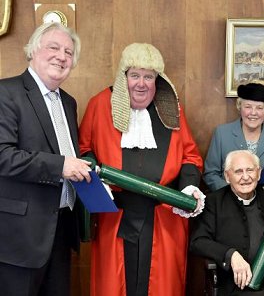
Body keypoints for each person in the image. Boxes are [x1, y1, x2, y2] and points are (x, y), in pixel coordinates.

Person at [79, 43, 204, 296]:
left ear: (157, 79)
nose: (141, 83)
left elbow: (190, 156)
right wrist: (96, 182)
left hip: (163, 217)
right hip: (115, 216)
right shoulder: (99, 104)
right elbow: (84, 150)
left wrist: (188, 189)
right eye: (134, 75)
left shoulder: (172, 108)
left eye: (149, 77)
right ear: (123, 76)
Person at [0, 22, 92, 296]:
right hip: (19, 238)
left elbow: (71, 157)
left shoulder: (68, 102)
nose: (62, 56)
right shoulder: (6, 93)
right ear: (33, 50)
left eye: (68, 52)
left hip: (61, 230)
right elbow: (3, 156)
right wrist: (61, 165)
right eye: (54, 47)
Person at [191, 150, 264, 296]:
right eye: (238, 171)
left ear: (259, 173)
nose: (245, 177)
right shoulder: (213, 203)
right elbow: (198, 242)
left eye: (250, 170)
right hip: (237, 282)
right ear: (227, 176)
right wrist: (230, 255)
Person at [203, 83, 264, 193]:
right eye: (248, 107)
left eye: (259, 108)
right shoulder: (221, 134)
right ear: (240, 107)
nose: (253, 113)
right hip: (228, 202)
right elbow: (211, 174)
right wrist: (234, 193)